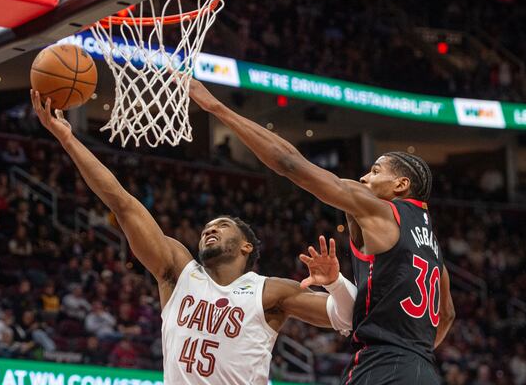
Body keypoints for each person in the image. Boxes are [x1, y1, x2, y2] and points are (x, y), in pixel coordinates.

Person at [31, 90, 356, 384]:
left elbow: (347, 317)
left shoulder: (269, 291)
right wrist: (68, 141)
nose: (209, 230)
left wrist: (335, 282)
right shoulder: (177, 271)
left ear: (247, 246)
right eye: (206, 228)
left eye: (222, 225)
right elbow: (121, 202)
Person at [187, 79, 455, 385]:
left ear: (401, 185)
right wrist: (412, 356)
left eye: (376, 171)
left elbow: (290, 164)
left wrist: (216, 107)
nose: (365, 177)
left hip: (381, 366)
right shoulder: (434, 248)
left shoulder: (381, 210)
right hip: (423, 371)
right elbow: (446, 315)